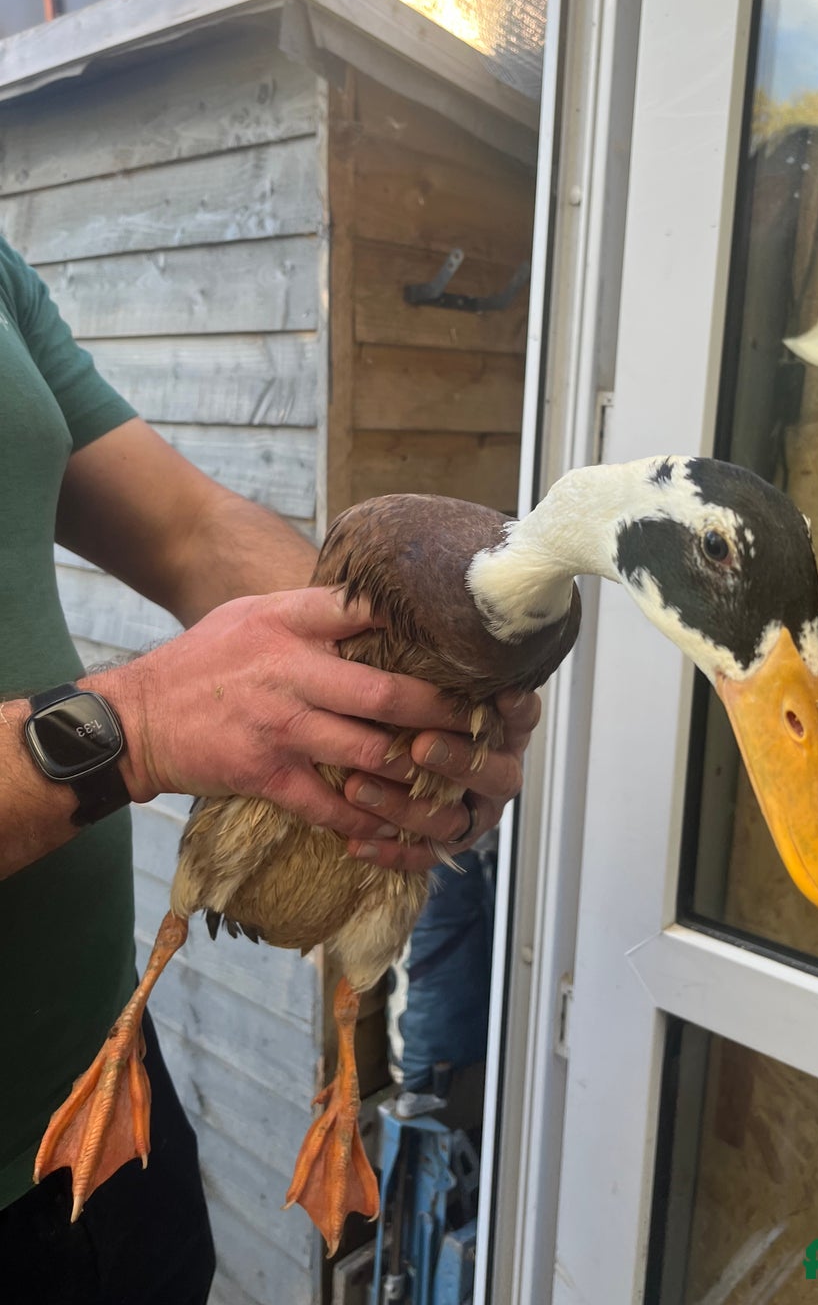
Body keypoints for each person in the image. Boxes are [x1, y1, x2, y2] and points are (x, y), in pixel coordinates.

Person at [0, 233, 540, 1304]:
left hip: (103, 1094)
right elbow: (151, 707)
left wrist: (395, 677)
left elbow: (189, 528)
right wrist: (141, 722)